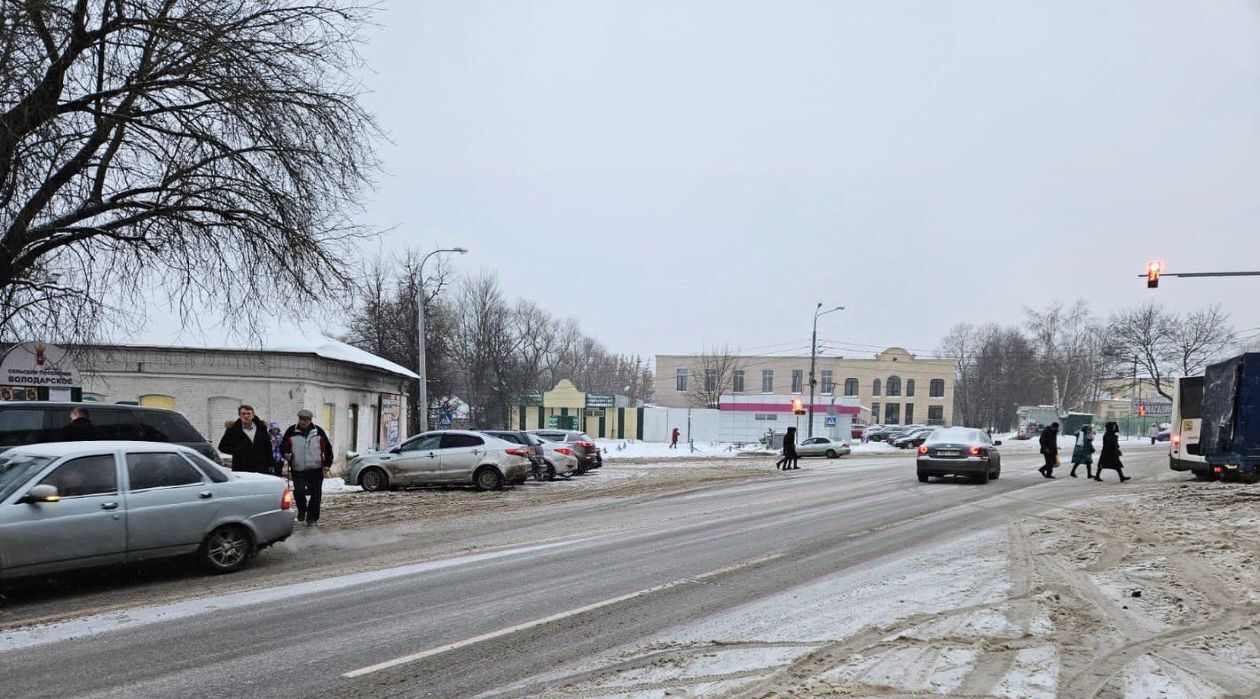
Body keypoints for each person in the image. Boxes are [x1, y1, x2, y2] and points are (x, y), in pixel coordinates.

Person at [281, 409, 334, 525]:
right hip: (298, 468)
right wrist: (286, 454)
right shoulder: (291, 431)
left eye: (305, 420)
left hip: (316, 468)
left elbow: (328, 449)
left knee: (316, 495)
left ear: (310, 420)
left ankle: (312, 518)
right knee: (299, 492)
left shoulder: (318, 431)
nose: (303, 422)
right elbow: (283, 447)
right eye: (301, 419)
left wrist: (327, 464)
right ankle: (302, 510)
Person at [217, 405, 273, 473]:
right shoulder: (233, 430)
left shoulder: (261, 428)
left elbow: (268, 446)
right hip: (241, 467)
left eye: (248, 413)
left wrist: (271, 464)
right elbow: (222, 447)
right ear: (239, 415)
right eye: (243, 414)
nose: (246, 416)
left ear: (253, 415)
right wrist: (238, 451)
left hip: (261, 467)